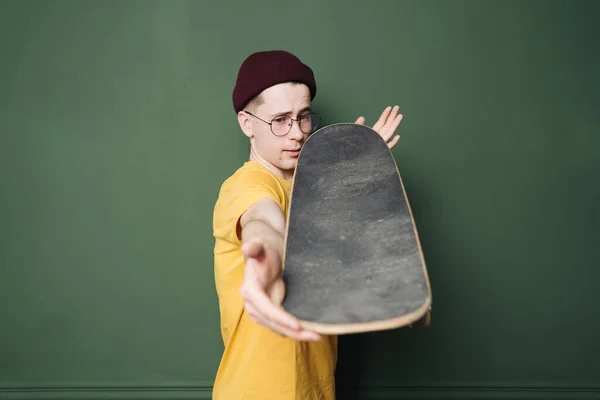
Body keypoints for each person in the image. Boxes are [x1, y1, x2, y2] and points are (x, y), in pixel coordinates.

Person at [212, 50, 403, 399]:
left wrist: (352, 171)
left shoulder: (313, 189)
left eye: (303, 117)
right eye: (280, 120)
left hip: (317, 389)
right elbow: (264, 221)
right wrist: (267, 256)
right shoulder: (246, 185)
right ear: (247, 123)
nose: (297, 133)